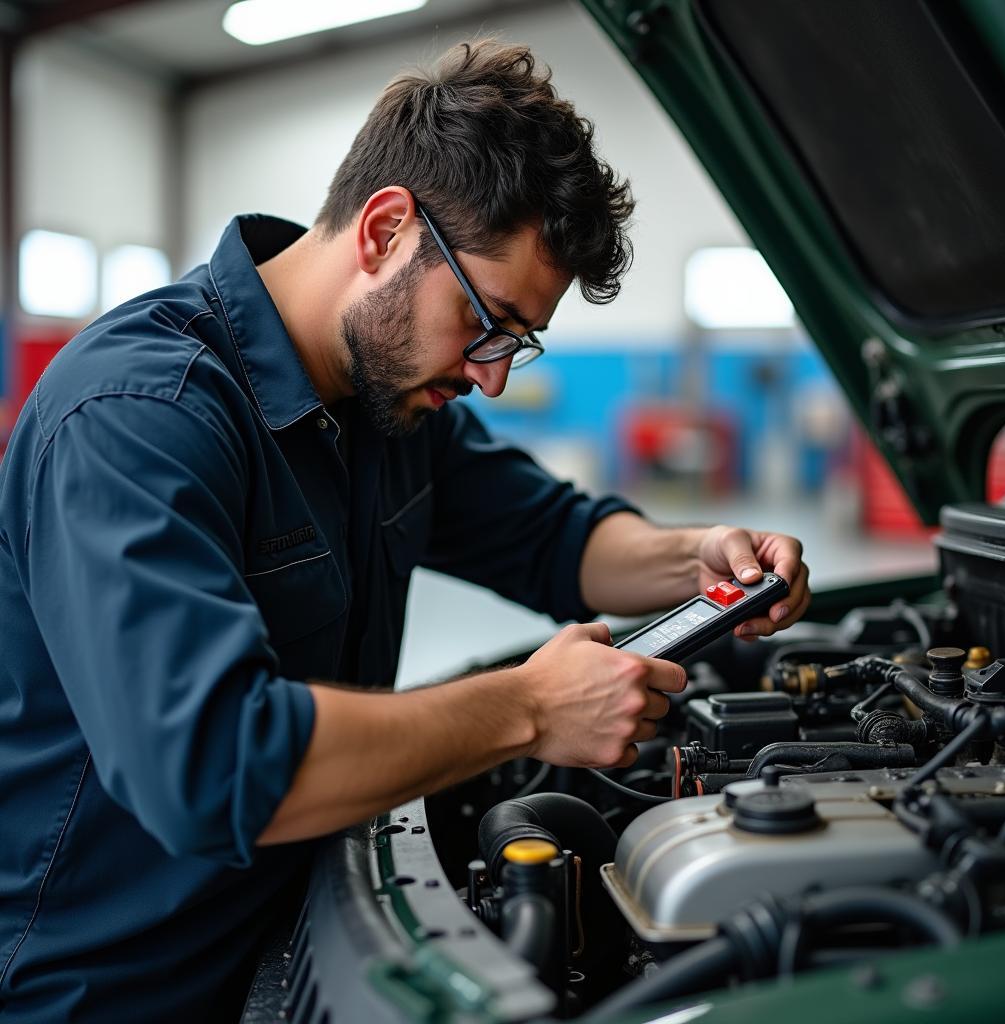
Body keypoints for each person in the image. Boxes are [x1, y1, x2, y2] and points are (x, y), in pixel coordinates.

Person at [0, 40, 810, 1022]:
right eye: (487, 320)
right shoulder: (138, 412)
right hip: (106, 992)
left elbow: (555, 537)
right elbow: (216, 763)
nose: (493, 375)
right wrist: (526, 707)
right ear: (386, 230)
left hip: (286, 939)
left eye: (517, 340)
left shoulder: (387, 403)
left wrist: (699, 558)